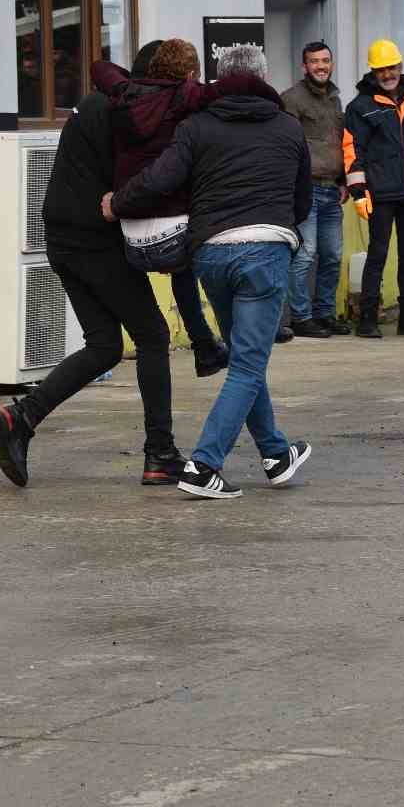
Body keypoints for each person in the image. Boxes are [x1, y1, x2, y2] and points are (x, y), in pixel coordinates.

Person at [108, 44, 314, 499]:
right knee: (247, 364)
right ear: (264, 77)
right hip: (264, 252)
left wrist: (117, 203)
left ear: (218, 78)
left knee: (245, 360)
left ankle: (276, 454)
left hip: (211, 254)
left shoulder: (196, 126)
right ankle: (203, 466)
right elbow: (301, 201)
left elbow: (161, 179)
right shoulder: (288, 127)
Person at [0, 64, 184, 490]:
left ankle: (21, 417)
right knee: (151, 335)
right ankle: (160, 454)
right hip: (95, 241)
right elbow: (134, 181)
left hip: (60, 239)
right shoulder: (129, 114)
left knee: (105, 344)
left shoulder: (94, 103)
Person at [96, 38, 231, 378]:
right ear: (189, 75)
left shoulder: (125, 96)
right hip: (174, 237)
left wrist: (136, 82)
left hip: (131, 240)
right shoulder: (188, 98)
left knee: (178, 270)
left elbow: (101, 68)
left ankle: (203, 346)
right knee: (210, 253)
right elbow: (227, 92)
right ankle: (212, 341)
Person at [343, 39, 404, 339]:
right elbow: (351, 149)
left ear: (401, 66)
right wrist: (359, 192)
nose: (388, 74)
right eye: (381, 70)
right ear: (373, 72)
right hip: (380, 194)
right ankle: (368, 319)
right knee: (378, 254)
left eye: (392, 68)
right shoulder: (360, 107)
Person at [280, 40, 350, 337]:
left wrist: (344, 179)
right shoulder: (291, 99)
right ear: (303, 66)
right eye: (315, 62)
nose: (321, 66)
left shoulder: (334, 98)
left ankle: (325, 314)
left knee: (332, 255)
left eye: (325, 61)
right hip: (306, 189)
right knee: (306, 254)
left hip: (332, 189)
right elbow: (287, 145)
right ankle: (301, 317)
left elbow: (339, 141)